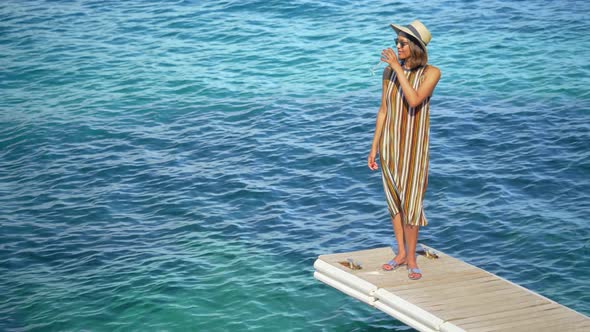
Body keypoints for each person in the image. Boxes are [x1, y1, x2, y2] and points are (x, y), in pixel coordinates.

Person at [367, 20, 441, 280]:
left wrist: (397, 68)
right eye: (397, 42)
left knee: (412, 204)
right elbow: (384, 109)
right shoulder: (388, 73)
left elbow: (414, 99)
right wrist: (374, 147)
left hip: (414, 148)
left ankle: (411, 258)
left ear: (416, 47)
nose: (397, 46)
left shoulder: (431, 73)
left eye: (402, 43)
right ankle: (400, 253)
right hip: (389, 146)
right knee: (395, 203)